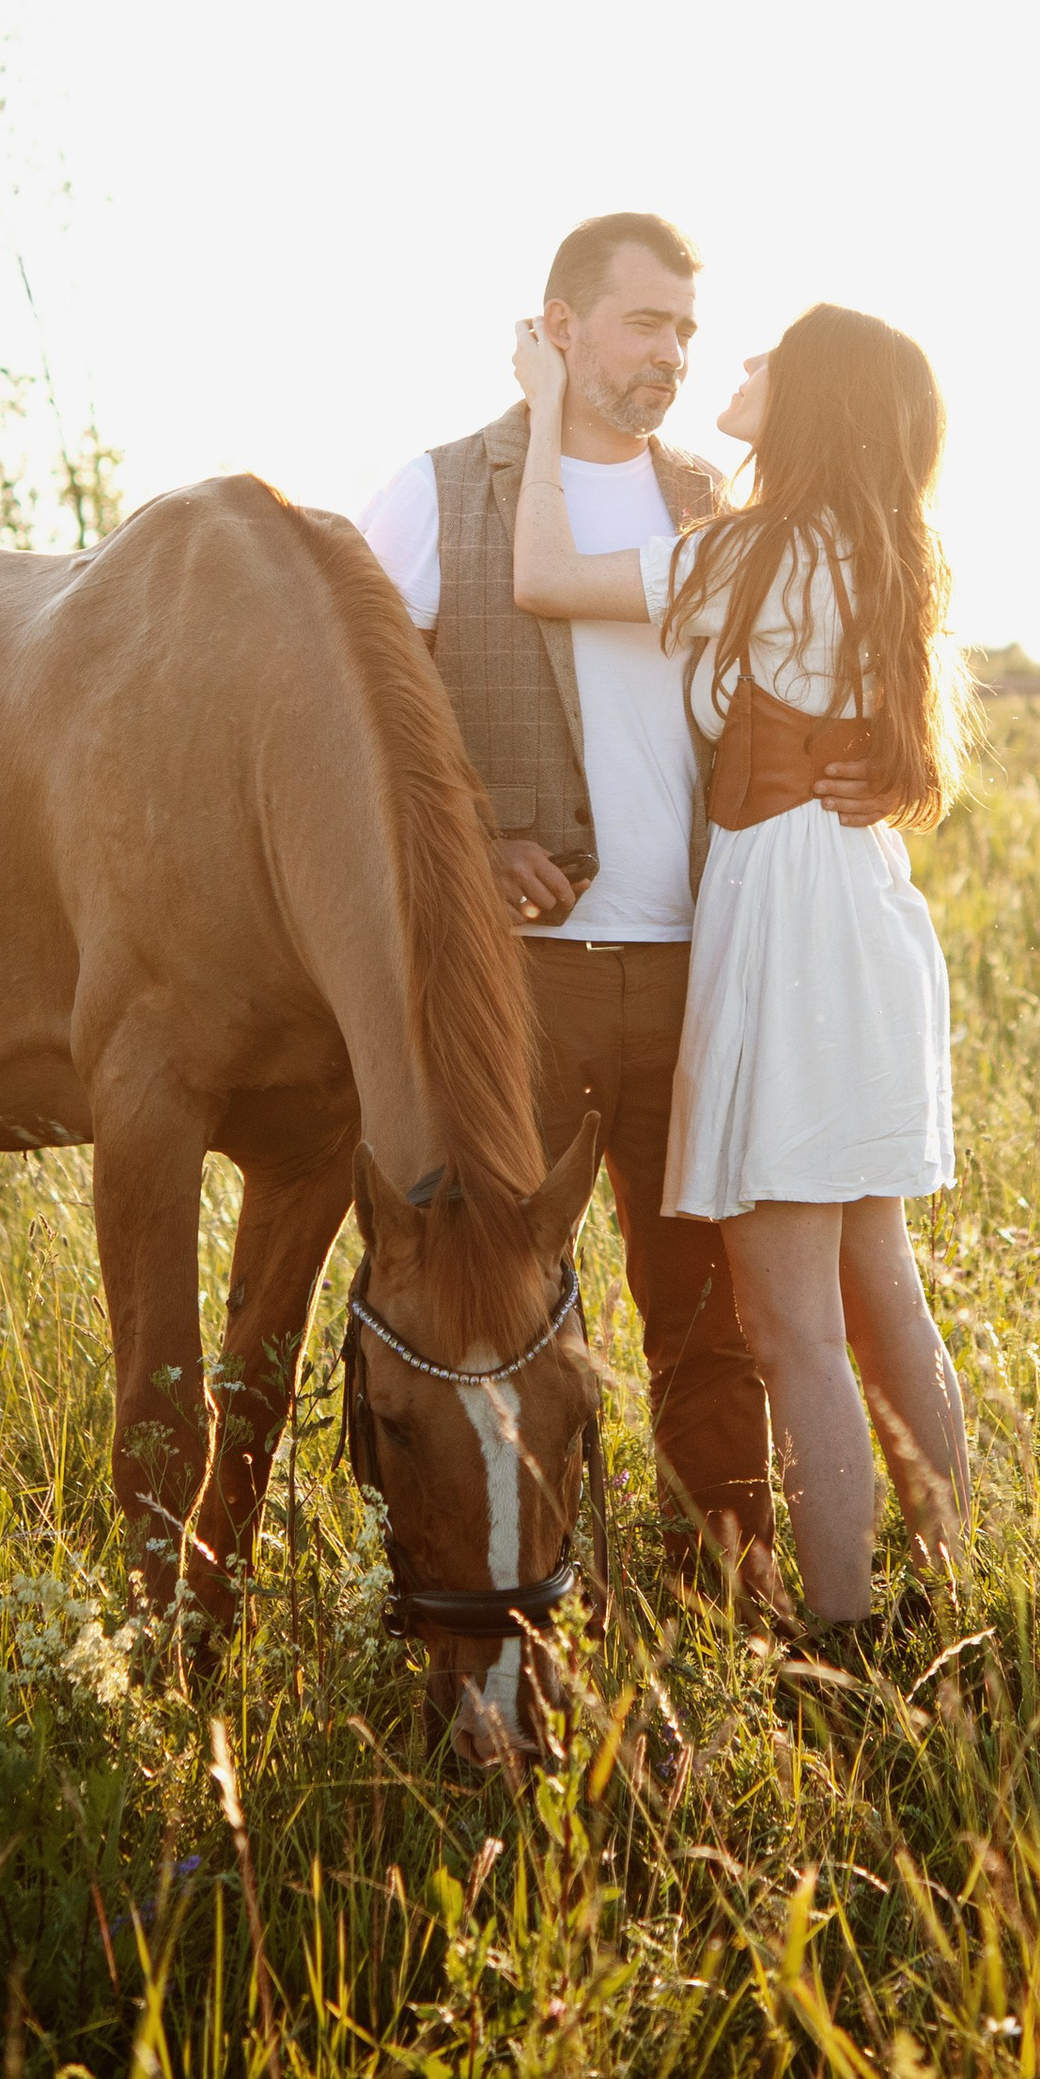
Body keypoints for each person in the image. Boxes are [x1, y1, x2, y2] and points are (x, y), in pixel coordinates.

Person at [360, 213, 816, 1602]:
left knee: (709, 1317)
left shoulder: (709, 509)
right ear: (560, 326)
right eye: (643, 322)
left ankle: (719, 1609)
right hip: (522, 984)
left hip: (698, 969)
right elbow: (356, 723)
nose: (671, 354)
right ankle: (512, 1604)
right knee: (498, 1312)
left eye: (686, 327)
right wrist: (474, 836)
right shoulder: (438, 491)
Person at [507, 298, 972, 1636]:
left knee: (791, 1328)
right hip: (867, 916)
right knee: (883, 1287)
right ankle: (950, 1601)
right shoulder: (889, 555)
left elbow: (542, 573)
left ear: (810, 398)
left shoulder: (748, 557)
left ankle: (839, 1638)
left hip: (787, 923)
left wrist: (545, 402)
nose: (740, 365)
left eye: (767, 358)